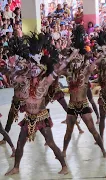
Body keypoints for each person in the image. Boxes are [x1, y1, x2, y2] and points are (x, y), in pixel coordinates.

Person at [5, 32, 77, 176]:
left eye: (35, 66)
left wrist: (70, 57)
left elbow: (57, 69)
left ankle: (64, 166)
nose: (32, 69)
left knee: (50, 143)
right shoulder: (25, 79)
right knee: (20, 143)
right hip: (28, 117)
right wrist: (13, 66)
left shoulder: (45, 81)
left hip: (41, 117)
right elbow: (12, 77)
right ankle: (16, 167)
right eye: (31, 66)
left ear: (42, 67)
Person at [60, 25, 106, 158]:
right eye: (74, 60)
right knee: (68, 131)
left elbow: (96, 63)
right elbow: (59, 68)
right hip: (72, 105)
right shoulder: (68, 72)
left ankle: (103, 150)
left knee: (92, 129)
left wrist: (104, 52)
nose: (76, 62)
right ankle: (64, 151)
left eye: (78, 60)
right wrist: (70, 56)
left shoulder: (86, 72)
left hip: (83, 104)